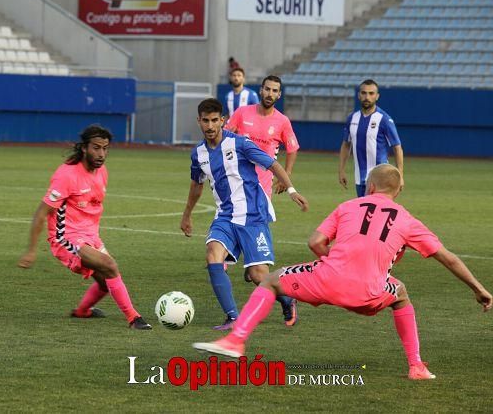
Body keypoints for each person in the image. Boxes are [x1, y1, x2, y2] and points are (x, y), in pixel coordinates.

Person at [193, 164, 492, 380]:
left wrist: (334, 262)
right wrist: (478, 289)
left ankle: (236, 339)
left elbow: (315, 242)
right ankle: (416, 366)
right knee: (400, 293)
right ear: (398, 191)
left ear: (370, 187)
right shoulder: (407, 220)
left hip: (324, 281)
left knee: (271, 280)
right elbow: (448, 258)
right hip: (371, 292)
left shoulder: (348, 205)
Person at [180, 98, 309, 331]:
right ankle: (232, 317)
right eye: (205, 121)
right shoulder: (198, 154)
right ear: (199, 121)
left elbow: (272, 164)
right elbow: (196, 184)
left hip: (252, 215)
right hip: (225, 217)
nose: (210, 126)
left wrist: (291, 189)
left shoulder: (240, 144)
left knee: (259, 276)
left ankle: (287, 299)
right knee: (212, 255)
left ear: (223, 121)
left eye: (214, 121)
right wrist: (187, 214)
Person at [17, 125, 152, 330]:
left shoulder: (102, 172)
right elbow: (41, 213)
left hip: (90, 235)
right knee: (110, 266)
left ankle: (82, 312)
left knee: (106, 282)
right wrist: (31, 250)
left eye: (105, 148)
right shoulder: (66, 175)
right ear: (84, 148)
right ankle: (134, 318)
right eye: (96, 148)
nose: (101, 154)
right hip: (66, 238)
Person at [225, 74, 300, 326]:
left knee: (257, 270)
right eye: (267, 89)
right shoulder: (242, 113)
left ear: (279, 95)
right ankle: (233, 302)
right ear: (261, 90)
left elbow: (292, 148)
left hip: (259, 192)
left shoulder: (282, 121)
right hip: (234, 188)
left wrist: (285, 178)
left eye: (274, 90)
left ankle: (283, 296)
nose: (270, 93)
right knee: (219, 251)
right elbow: (224, 137)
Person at [339, 79, 404, 197]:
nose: (367, 97)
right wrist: (341, 170)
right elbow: (346, 145)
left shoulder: (384, 119)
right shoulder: (352, 118)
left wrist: (400, 176)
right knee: (363, 213)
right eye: (363, 93)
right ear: (359, 95)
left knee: (377, 213)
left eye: (371, 93)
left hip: (380, 178)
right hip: (359, 178)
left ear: (377, 96)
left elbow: (397, 148)